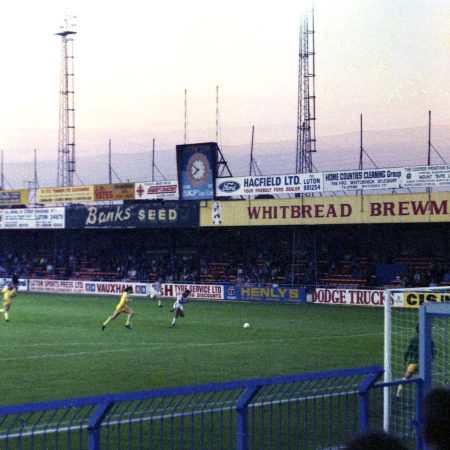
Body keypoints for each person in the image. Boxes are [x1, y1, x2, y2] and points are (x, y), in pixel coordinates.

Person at [396, 323, 436, 398]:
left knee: (405, 378)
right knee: (426, 379)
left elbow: (408, 350)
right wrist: (432, 359)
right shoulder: (429, 338)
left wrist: (405, 359)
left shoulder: (414, 339)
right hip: (424, 364)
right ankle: (426, 395)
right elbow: (434, 351)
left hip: (413, 364)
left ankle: (398, 394)